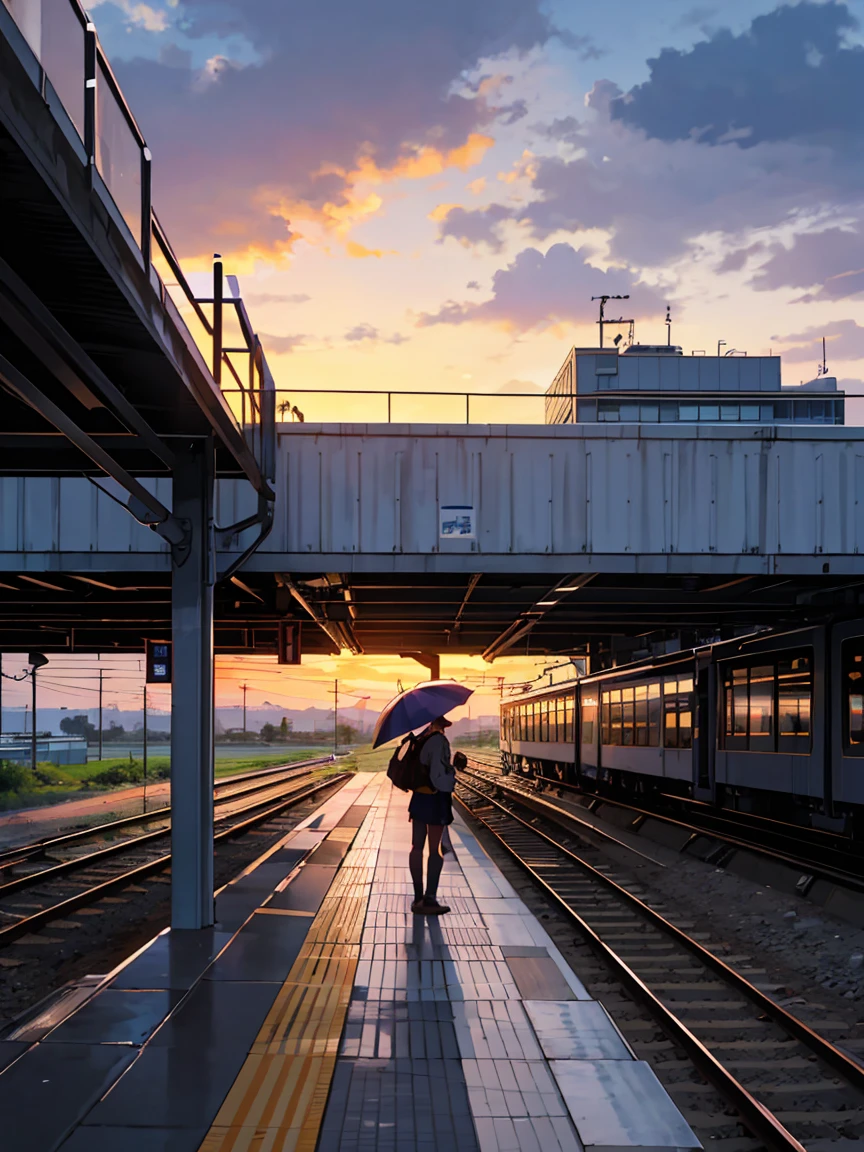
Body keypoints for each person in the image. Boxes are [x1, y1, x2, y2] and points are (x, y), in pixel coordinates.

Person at [408, 715, 456, 915]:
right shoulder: (438, 741)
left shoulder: (421, 739)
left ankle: (418, 897)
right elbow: (438, 777)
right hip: (434, 800)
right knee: (435, 850)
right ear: (441, 724)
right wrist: (452, 775)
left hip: (419, 798)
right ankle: (429, 899)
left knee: (416, 847)